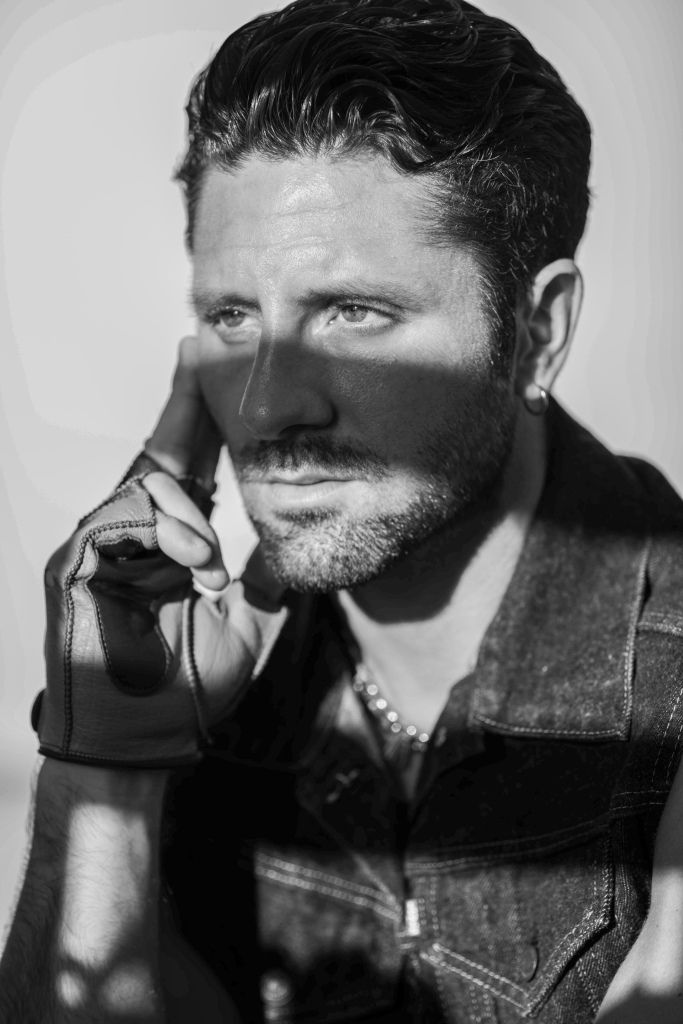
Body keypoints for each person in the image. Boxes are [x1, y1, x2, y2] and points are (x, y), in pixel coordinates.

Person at [1, 0, 683, 1020]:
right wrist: (107, 768)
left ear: (536, 333)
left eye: (354, 313)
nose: (266, 404)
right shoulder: (199, 685)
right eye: (233, 316)